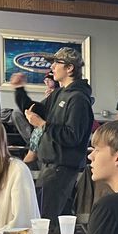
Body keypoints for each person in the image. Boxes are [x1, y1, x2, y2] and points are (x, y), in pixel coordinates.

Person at [23, 47, 94, 219]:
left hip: (62, 168)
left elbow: (72, 136)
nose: (52, 67)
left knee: (46, 221)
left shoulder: (78, 98)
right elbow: (38, 109)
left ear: (70, 68)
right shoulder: (59, 94)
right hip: (49, 166)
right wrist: (19, 91)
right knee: (45, 218)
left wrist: (41, 124)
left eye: (56, 63)